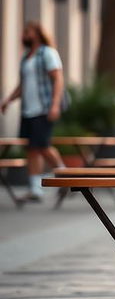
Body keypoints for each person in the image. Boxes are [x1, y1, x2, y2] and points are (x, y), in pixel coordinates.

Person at [0, 21, 65, 202]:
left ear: (37, 33)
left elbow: (58, 79)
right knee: (32, 149)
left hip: (43, 108)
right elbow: (22, 85)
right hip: (28, 110)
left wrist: (54, 104)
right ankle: (35, 189)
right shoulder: (26, 57)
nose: (24, 36)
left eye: (27, 32)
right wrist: (8, 100)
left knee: (42, 146)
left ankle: (65, 174)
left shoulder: (48, 53)